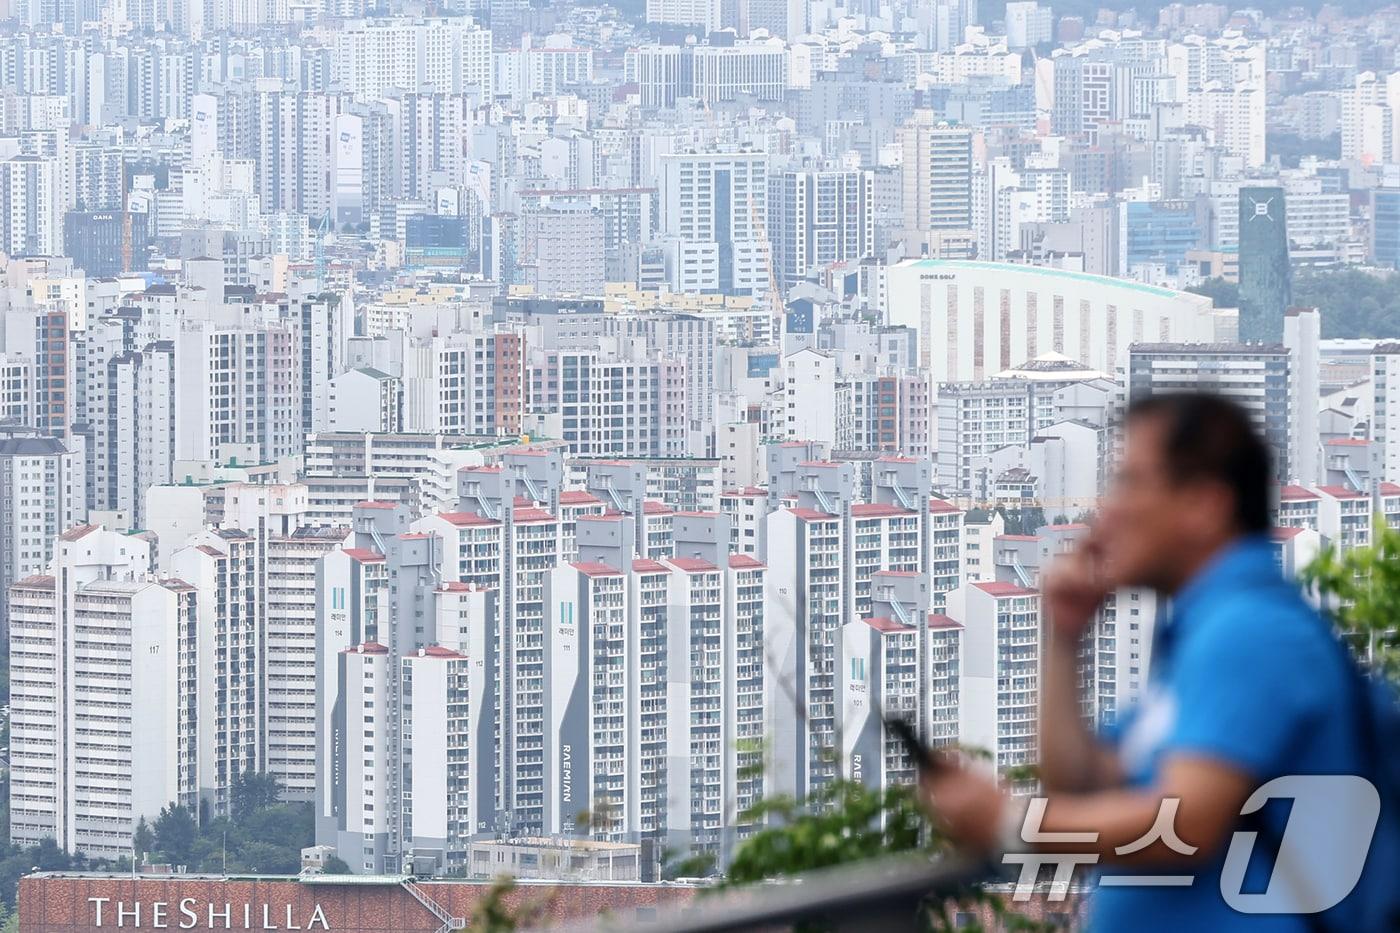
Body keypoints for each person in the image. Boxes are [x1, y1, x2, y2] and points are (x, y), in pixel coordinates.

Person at [921, 392, 1396, 931]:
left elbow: (1187, 824)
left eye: (1129, 483)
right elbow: (1082, 784)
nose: (1108, 510)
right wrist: (1064, 635)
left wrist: (1012, 824)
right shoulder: (1201, 633)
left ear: (1204, 504)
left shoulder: (1251, 633)